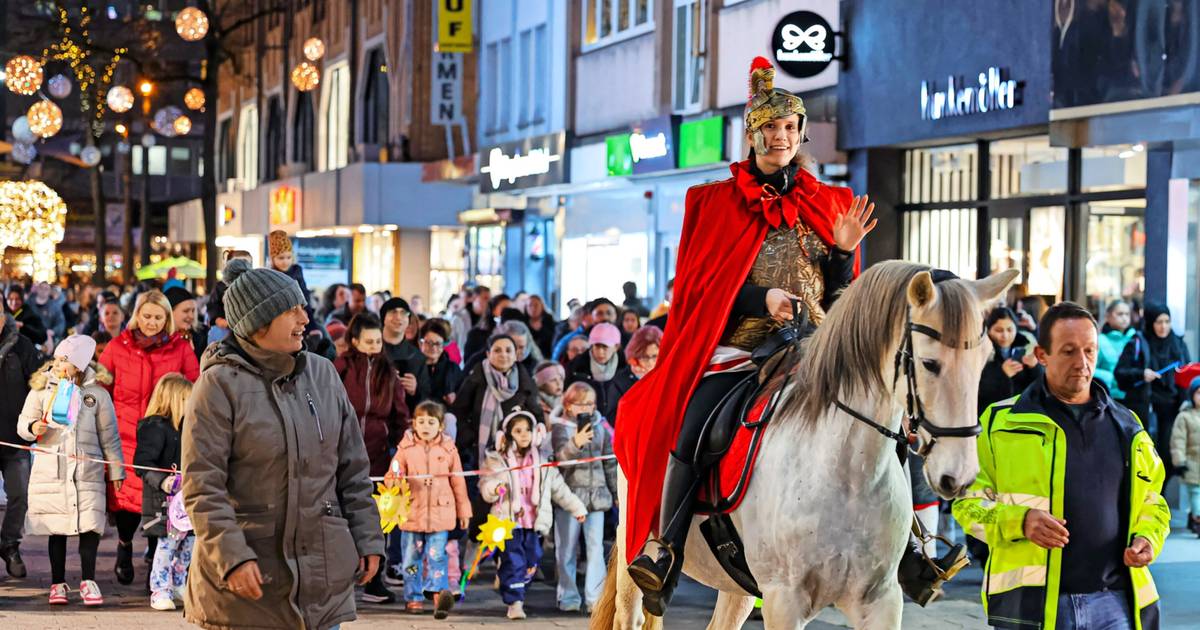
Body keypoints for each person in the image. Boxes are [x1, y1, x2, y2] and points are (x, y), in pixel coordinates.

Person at [619, 56, 877, 614]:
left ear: (801, 133)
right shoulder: (713, 202)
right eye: (769, 128)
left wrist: (844, 251)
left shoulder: (830, 204)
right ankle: (663, 548)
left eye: (789, 128)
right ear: (753, 133)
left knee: (880, 415)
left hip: (813, 349)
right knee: (696, 426)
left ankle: (909, 543)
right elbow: (699, 286)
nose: (779, 136)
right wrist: (765, 299)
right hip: (737, 347)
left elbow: (840, 300)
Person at [181, 257, 384, 629]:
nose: (304, 319)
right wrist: (233, 558)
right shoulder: (218, 385)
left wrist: (368, 537)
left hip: (319, 584)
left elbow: (352, 470)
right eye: (291, 310)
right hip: (244, 590)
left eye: (302, 308)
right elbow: (202, 486)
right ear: (259, 322)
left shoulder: (323, 374)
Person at [954, 302, 1170, 630]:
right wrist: (1020, 521)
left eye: (1089, 350)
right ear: (1042, 355)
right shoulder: (1000, 423)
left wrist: (1148, 537)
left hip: (1116, 604)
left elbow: (1154, 502)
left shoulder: (1128, 426)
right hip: (1033, 605)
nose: (1082, 363)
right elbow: (967, 504)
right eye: (1068, 351)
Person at [98, 289, 199, 585]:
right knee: (127, 502)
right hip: (125, 433)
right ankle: (125, 545)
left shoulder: (179, 348)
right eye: (147, 316)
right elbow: (103, 386)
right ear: (137, 316)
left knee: (162, 502)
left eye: (158, 317)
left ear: (166, 319)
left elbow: (193, 385)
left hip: (166, 436)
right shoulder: (117, 346)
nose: (152, 322)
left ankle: (157, 561)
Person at [18, 335, 124, 606]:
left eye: (65, 360)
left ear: (79, 365)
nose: (59, 364)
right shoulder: (42, 390)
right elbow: (24, 423)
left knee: (90, 526)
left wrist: (116, 470)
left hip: (87, 470)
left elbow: (109, 435)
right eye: (58, 359)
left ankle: (88, 580)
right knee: (58, 527)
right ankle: (57, 582)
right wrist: (32, 429)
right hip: (53, 470)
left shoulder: (97, 395)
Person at [479, 409, 587, 620]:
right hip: (508, 523)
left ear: (536, 432)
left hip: (534, 523)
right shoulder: (497, 460)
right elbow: (485, 484)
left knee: (532, 561)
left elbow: (559, 488)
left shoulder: (542, 462)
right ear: (507, 435)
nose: (524, 434)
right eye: (518, 431)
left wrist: (577, 508)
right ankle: (515, 602)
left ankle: (512, 583)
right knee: (514, 562)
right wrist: (495, 487)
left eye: (528, 430)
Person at [383, 401, 471, 618]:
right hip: (412, 514)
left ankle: (437, 593)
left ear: (440, 426)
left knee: (437, 557)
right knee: (411, 559)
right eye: (420, 421)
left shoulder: (449, 450)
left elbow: (458, 482)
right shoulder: (405, 449)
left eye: (431, 422)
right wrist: (395, 480)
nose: (425, 426)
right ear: (414, 423)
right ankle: (413, 597)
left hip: (440, 515)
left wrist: (464, 510)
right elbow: (391, 477)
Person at [550, 382, 618, 613]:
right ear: (568, 405)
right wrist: (575, 443)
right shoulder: (560, 428)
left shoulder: (601, 427)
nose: (587, 408)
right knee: (567, 548)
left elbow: (610, 461)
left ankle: (594, 597)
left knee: (595, 547)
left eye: (591, 403)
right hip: (569, 498)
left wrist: (616, 492)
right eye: (581, 404)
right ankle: (567, 595)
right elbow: (559, 460)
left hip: (597, 496)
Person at [132, 373, 193, 611]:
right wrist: (163, 481)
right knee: (167, 545)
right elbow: (143, 463)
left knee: (189, 544)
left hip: (187, 498)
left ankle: (179, 584)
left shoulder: (189, 426)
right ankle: (159, 588)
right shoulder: (154, 426)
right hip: (163, 501)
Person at [452, 334, 544, 475]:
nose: (503, 355)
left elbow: (535, 412)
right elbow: (459, 411)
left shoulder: (525, 380)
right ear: (488, 354)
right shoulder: (476, 377)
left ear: (515, 355)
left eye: (508, 350)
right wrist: (471, 438)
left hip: (516, 451)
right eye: (497, 350)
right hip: (481, 450)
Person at [1116, 303, 1191, 475]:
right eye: (1159, 322)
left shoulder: (1178, 344)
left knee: (1167, 456)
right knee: (1146, 455)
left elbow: (1187, 375)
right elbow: (1120, 373)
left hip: (1173, 411)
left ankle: (1160, 497)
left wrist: (1185, 399)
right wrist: (1141, 373)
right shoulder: (1138, 342)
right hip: (1145, 409)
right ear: (1150, 322)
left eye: (1167, 321)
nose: (1163, 326)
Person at [0, 304, 41, 579]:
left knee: (20, 494)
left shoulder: (22, 345)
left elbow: (39, 383)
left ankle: (10, 543)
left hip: (14, 439)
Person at [978, 307, 1043, 414]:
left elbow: (1040, 387)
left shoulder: (1027, 346)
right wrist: (1002, 374)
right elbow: (979, 392)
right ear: (989, 330)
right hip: (991, 415)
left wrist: (1035, 367)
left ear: (1016, 329)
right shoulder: (981, 352)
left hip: (1022, 413)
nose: (1005, 335)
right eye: (999, 330)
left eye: (1010, 330)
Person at [566, 323, 628, 423]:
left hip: (619, 424)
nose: (600, 352)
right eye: (596, 346)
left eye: (605, 347)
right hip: (583, 423)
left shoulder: (626, 370)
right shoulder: (576, 368)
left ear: (616, 347)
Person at [380, 297, 431, 411]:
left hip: (405, 417)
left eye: (403, 313)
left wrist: (414, 390)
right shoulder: (373, 350)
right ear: (383, 318)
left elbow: (426, 398)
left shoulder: (417, 357)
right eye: (393, 312)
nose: (398, 317)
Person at [1170, 378, 1200, 536]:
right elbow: (1178, 440)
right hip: (1192, 463)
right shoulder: (1185, 416)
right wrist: (1179, 461)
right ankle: (1197, 521)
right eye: (1199, 393)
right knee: (1195, 494)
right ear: (1192, 395)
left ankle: (1193, 518)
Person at [418, 318, 463, 405]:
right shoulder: (413, 367)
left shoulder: (452, 368)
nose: (433, 348)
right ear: (420, 343)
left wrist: (455, 398)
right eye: (429, 343)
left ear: (443, 346)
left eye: (438, 344)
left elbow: (463, 395)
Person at [1097, 300, 1136, 399]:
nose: (1124, 318)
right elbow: (1090, 369)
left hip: (1135, 397)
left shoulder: (1135, 339)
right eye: (1120, 314)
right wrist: (1109, 377)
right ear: (1108, 316)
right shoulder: (1099, 341)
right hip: (1109, 397)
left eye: (1127, 314)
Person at [463, 293, 512, 360]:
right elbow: (468, 359)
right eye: (504, 309)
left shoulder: (514, 332)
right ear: (493, 310)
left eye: (511, 309)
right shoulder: (476, 334)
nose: (508, 312)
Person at [166, 286, 207, 361]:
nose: (191, 316)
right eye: (186, 311)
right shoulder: (159, 338)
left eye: (193, 311)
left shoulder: (203, 334)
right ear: (169, 312)